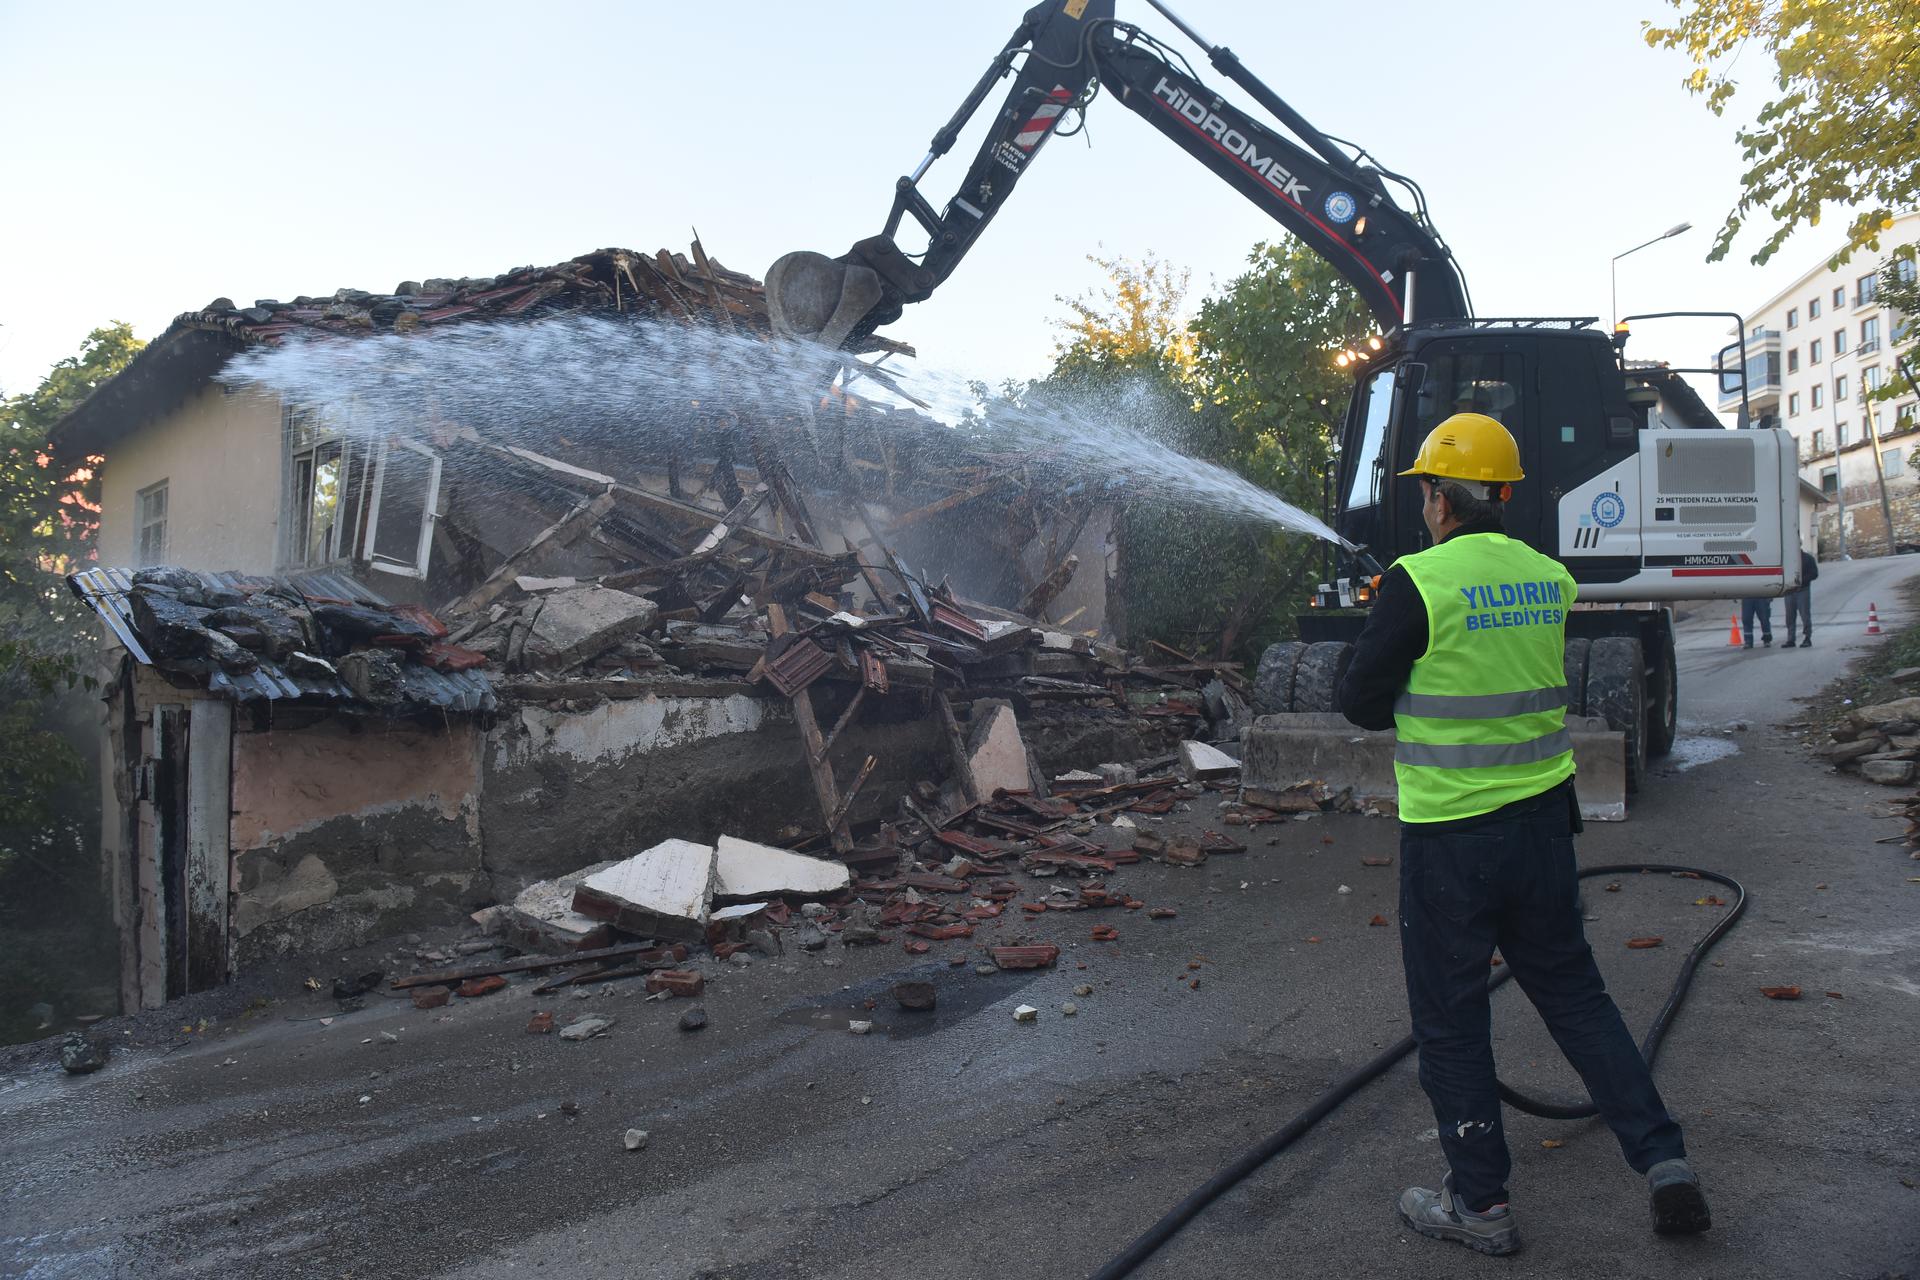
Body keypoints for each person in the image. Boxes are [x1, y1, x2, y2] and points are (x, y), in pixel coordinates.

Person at [1336, 412, 1710, 1256]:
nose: (1424, 504)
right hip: (1543, 828)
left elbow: (1362, 702)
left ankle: (1481, 1205)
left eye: (1426, 490)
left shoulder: (1418, 582)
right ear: (1502, 494)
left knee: (1452, 1020)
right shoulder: (1549, 578)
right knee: (1578, 998)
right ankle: (1664, 1162)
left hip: (1451, 843)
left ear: (1439, 497)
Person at [1782, 549, 1817, 648]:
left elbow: (1814, 573)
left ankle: (1807, 638)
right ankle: (1790, 639)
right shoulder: (1786, 559)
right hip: (1789, 590)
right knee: (1789, 616)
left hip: (1803, 590)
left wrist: (1802, 580)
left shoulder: (1808, 558)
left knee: (1805, 615)